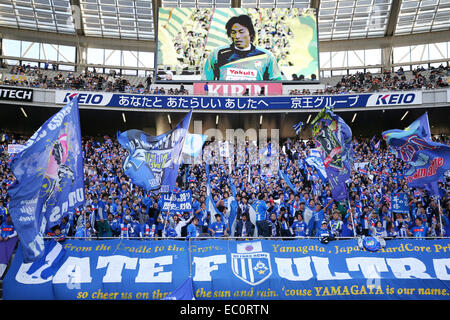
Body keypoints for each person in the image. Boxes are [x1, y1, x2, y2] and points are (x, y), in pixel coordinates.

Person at [202, 14, 283, 81]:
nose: (237, 36)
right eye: (233, 32)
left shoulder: (267, 56)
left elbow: (276, 84)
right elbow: (205, 82)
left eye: (241, 32)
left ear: (250, 33)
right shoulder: (217, 54)